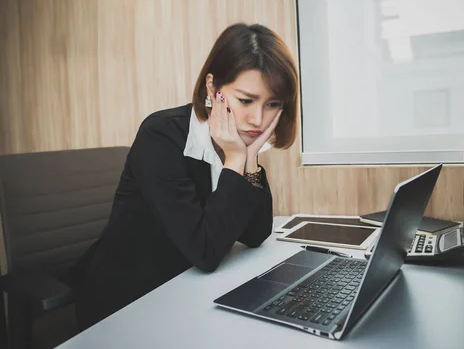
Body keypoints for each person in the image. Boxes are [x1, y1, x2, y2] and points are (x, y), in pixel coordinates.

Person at [71, 23, 299, 331]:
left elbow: (256, 233)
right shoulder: (161, 136)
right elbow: (205, 252)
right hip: (128, 302)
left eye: (272, 104)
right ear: (212, 87)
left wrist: (251, 159)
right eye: (246, 100)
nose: (258, 120)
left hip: (188, 290)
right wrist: (235, 159)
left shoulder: (240, 139)